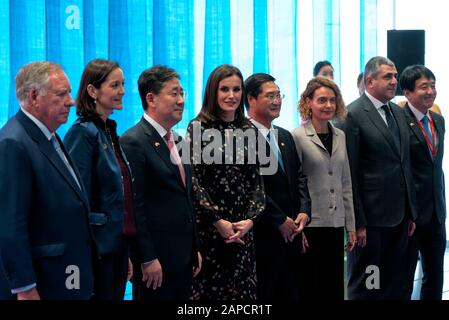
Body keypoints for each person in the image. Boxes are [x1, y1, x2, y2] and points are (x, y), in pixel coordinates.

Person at [0, 61, 94, 300]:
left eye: (70, 93)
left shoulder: (48, 135)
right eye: (62, 94)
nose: (71, 101)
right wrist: (25, 288)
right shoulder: (14, 142)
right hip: (43, 282)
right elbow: (10, 224)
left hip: (67, 274)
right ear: (33, 96)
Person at [120, 65, 201, 300]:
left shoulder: (177, 140)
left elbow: (186, 198)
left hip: (183, 258)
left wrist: (194, 247)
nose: (181, 100)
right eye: (173, 93)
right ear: (151, 98)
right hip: (155, 261)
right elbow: (135, 206)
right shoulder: (133, 141)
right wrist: (146, 257)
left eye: (182, 93)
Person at [187, 64, 265, 300]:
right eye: (224, 89)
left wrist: (251, 219)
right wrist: (217, 220)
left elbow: (256, 182)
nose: (231, 96)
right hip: (211, 230)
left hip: (243, 230)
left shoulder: (248, 128)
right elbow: (194, 182)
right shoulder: (198, 127)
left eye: (236, 89)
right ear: (213, 92)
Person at [344, 56, 417, 299]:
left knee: (393, 284)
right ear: (370, 80)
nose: (394, 81)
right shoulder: (352, 115)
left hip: (399, 220)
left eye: (395, 76)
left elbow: (403, 164)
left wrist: (411, 212)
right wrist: (358, 222)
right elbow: (350, 174)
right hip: (371, 224)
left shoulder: (398, 112)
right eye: (388, 76)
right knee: (368, 286)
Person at [63, 58, 136, 300]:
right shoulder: (82, 133)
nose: (122, 91)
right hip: (96, 251)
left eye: (123, 84)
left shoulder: (108, 130)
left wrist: (124, 253)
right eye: (115, 85)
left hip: (116, 247)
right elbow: (76, 199)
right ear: (93, 91)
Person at [244, 73, 311, 300]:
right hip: (262, 237)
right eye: (270, 96)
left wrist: (304, 211)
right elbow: (250, 188)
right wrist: (279, 220)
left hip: (292, 236)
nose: (277, 101)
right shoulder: (241, 137)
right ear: (251, 99)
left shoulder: (284, 135)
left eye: (278, 95)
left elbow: (299, 178)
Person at [291, 77, 356, 300]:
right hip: (311, 224)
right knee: (312, 287)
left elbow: (345, 181)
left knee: (335, 286)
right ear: (308, 102)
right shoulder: (297, 136)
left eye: (332, 100)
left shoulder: (340, 135)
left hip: (336, 223)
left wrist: (351, 225)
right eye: (322, 100)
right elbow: (295, 183)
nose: (328, 105)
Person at [399, 65, 446, 300]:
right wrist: (408, 212)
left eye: (433, 85)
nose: (430, 91)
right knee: (405, 279)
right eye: (423, 87)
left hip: (437, 213)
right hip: (412, 216)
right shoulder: (398, 121)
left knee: (435, 277)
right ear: (407, 93)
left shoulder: (438, 120)